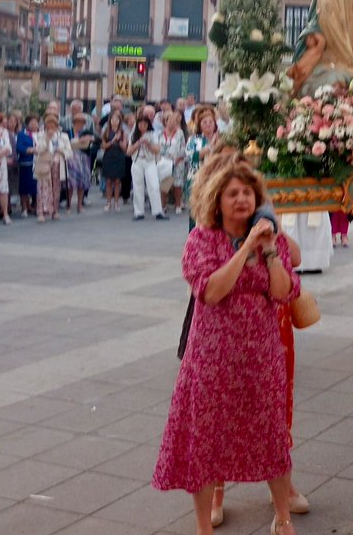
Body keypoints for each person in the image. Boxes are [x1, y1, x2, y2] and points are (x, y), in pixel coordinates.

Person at [152, 153, 302, 535]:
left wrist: (267, 249)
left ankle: (282, 516)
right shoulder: (201, 239)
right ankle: (204, 525)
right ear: (216, 200)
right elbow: (213, 291)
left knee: (270, 436)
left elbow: (283, 291)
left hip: (261, 354)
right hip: (211, 357)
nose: (241, 200)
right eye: (232, 193)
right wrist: (245, 246)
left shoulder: (271, 240)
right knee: (204, 441)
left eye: (248, 193)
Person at [32, 114, 72, 224]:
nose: (51, 129)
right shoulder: (40, 135)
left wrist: (61, 151)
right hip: (44, 164)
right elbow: (38, 149)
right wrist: (47, 138)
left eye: (53, 126)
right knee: (42, 187)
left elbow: (69, 152)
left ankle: (55, 210)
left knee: (56, 187)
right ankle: (41, 211)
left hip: (58, 165)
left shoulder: (63, 136)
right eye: (48, 126)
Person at [183, 105, 221, 222]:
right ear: (199, 125)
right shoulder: (194, 139)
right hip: (197, 178)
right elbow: (192, 156)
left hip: (217, 178)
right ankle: (195, 236)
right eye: (205, 122)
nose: (208, 124)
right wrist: (210, 146)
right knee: (196, 211)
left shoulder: (222, 139)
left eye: (211, 121)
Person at [129, 114, 168, 221]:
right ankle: (139, 212)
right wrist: (137, 144)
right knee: (138, 187)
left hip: (149, 161)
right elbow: (128, 151)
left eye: (145, 124)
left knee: (154, 186)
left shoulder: (153, 134)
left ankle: (158, 211)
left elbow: (157, 150)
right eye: (140, 124)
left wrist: (148, 145)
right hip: (137, 161)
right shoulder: (133, 135)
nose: (142, 126)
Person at [66, 113, 98, 214]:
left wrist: (90, 139)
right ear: (73, 123)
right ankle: (69, 205)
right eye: (77, 123)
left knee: (82, 183)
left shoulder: (86, 132)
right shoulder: (68, 132)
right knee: (70, 184)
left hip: (83, 159)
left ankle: (80, 205)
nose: (79, 125)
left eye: (82, 123)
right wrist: (77, 141)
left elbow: (98, 140)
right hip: (71, 158)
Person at [100, 110, 129, 212]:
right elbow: (103, 146)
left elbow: (125, 148)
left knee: (117, 181)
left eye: (117, 119)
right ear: (110, 120)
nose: (115, 121)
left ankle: (116, 202)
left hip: (119, 156)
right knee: (108, 180)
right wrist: (112, 141)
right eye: (113, 119)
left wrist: (119, 139)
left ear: (119, 121)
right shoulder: (106, 131)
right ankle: (108, 202)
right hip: (109, 156)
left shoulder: (123, 132)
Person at [16, 115, 37, 218]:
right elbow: (19, 147)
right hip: (26, 163)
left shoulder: (40, 133)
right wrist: (30, 150)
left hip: (37, 164)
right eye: (32, 122)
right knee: (24, 187)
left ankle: (36, 206)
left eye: (36, 122)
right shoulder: (21, 134)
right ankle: (24, 208)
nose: (34, 124)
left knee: (36, 186)